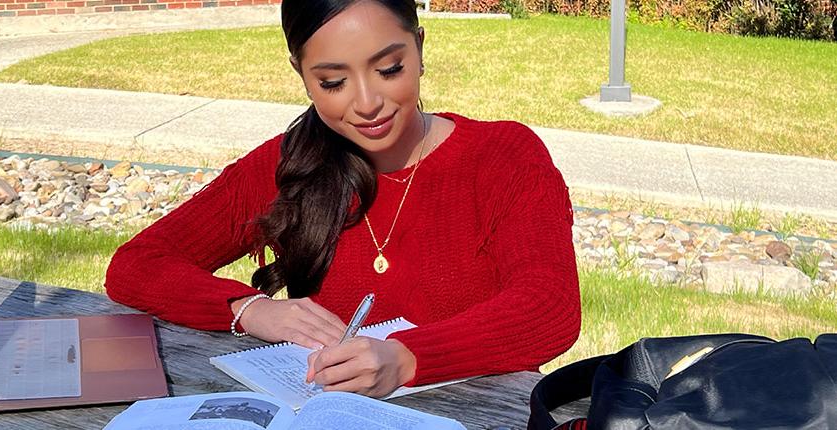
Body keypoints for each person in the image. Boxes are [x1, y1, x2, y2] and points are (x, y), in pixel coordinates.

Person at [105, 0, 580, 399]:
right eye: (333, 82)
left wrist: (408, 356)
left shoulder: (502, 156)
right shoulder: (289, 164)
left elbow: (549, 304)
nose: (367, 102)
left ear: (419, 47)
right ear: (302, 74)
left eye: (389, 68)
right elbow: (137, 264)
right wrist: (252, 310)